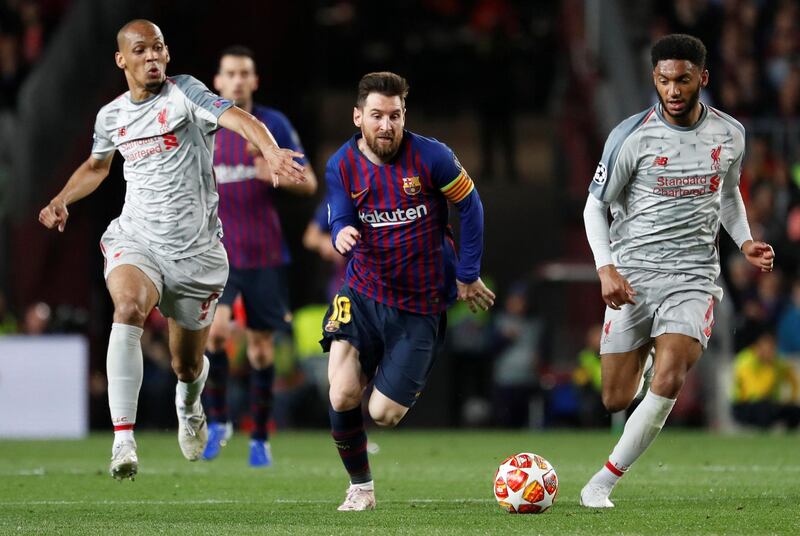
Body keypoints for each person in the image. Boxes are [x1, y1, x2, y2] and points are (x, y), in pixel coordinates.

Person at [38, 20, 304, 481]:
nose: (152, 56)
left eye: (158, 47)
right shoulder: (111, 116)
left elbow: (241, 118)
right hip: (137, 238)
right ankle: (123, 439)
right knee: (128, 308)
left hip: (196, 254)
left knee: (186, 364)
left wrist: (271, 150)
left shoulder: (186, 93)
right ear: (123, 60)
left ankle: (189, 401)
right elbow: (97, 167)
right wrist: (62, 198)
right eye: (141, 50)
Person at [580, 34, 775, 508]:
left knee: (670, 376)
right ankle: (641, 355)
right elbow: (593, 207)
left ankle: (601, 482)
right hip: (633, 275)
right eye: (664, 80)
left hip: (694, 276)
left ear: (701, 79)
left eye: (683, 80)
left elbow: (727, 194)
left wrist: (744, 240)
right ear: (654, 79)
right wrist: (606, 269)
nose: (673, 89)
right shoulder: (630, 136)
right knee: (614, 398)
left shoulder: (730, 134)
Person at [322, 72, 495, 511]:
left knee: (383, 414)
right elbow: (340, 214)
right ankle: (360, 487)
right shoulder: (341, 164)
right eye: (377, 115)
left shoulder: (433, 158)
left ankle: (393, 365)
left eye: (394, 116)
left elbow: (470, 207)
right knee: (341, 393)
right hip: (362, 293)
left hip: (420, 305)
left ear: (404, 116)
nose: (386, 125)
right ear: (358, 116)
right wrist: (341, 232)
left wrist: (468, 273)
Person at [201, 46, 317, 466]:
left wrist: (279, 174)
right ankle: (218, 420)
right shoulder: (205, 126)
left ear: (254, 81)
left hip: (266, 254)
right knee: (214, 334)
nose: (236, 80)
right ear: (217, 81)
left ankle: (261, 435)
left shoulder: (275, 125)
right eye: (229, 72)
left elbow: (309, 185)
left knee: (262, 351)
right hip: (219, 255)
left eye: (244, 73)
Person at [732, 328, 800, 430]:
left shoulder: (777, 361)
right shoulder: (746, 361)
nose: (770, 351)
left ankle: (788, 437)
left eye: (772, 347)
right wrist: (769, 368)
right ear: (757, 346)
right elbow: (754, 392)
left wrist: (791, 399)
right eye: (767, 347)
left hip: (770, 403)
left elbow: (794, 380)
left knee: (794, 410)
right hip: (744, 405)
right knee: (763, 409)